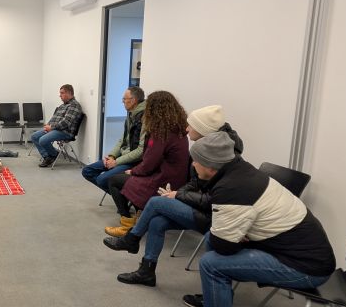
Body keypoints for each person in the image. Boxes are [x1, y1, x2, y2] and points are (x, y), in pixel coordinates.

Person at [172, 132, 336, 307]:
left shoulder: (231, 188)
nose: (193, 164)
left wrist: (235, 236)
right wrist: (236, 235)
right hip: (292, 248)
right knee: (212, 238)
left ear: (210, 166)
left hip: (305, 267)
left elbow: (224, 247)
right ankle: (216, 300)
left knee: (211, 264)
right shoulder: (240, 170)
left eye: (196, 161)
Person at [103, 104, 244, 286]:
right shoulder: (208, 148)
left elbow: (216, 199)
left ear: (203, 129)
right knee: (157, 222)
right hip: (201, 207)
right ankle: (146, 272)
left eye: (191, 125)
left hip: (215, 216)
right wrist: (180, 192)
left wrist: (179, 196)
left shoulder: (224, 156)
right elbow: (195, 182)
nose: (186, 129)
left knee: (155, 202)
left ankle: (132, 238)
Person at [103, 91, 190, 240]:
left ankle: (127, 223)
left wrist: (133, 171)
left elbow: (148, 164)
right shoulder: (177, 128)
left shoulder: (161, 133)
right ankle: (140, 216)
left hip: (163, 181)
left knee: (114, 180)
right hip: (175, 178)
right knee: (125, 179)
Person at [82, 87, 146, 191]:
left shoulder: (145, 118)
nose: (122, 101)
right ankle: (122, 195)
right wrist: (112, 156)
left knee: (102, 180)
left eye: (124, 99)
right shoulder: (131, 115)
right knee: (87, 171)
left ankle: (125, 196)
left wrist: (116, 162)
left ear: (133, 100)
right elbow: (122, 140)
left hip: (134, 161)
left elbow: (140, 151)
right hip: (123, 156)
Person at [29, 84, 83, 167]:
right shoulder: (62, 105)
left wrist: (51, 128)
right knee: (34, 136)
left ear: (69, 93)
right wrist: (48, 125)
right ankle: (47, 157)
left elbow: (66, 122)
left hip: (65, 132)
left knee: (42, 140)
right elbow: (54, 118)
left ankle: (53, 154)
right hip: (55, 129)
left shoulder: (74, 105)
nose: (60, 95)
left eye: (62, 93)